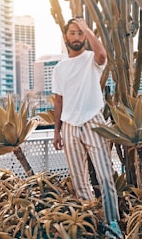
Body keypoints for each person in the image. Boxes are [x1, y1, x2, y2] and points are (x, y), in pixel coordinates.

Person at [52, 17, 123, 238]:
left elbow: (103, 55)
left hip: (93, 122)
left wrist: (87, 28)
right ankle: (92, 224)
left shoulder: (92, 59)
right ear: (66, 37)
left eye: (80, 33)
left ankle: (113, 225)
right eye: (72, 33)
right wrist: (57, 130)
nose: (76, 37)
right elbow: (58, 101)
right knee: (79, 181)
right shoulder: (59, 68)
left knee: (105, 178)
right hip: (69, 126)